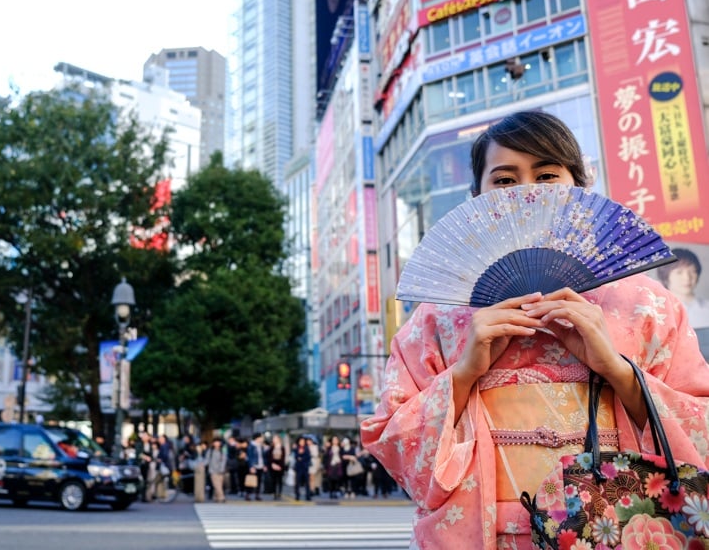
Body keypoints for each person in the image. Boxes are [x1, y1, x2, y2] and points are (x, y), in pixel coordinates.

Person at [360, 110, 709, 549]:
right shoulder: (439, 316)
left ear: (579, 188)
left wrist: (618, 371)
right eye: (504, 180)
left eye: (546, 175)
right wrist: (465, 373)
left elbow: (702, 426)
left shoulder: (645, 303)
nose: (526, 192)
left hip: (610, 530)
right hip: (487, 533)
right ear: (477, 196)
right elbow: (391, 437)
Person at [657, 247, 709, 330]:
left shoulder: (707, 308)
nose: (687, 278)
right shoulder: (655, 311)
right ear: (665, 276)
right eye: (679, 272)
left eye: (692, 271)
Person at [245, 432, 266, 500]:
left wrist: (264, 465)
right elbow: (249, 457)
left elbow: (263, 456)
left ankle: (257, 495)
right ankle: (248, 495)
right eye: (261, 437)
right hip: (254, 466)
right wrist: (251, 466)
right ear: (257, 438)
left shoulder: (261, 446)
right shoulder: (251, 446)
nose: (262, 438)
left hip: (260, 465)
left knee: (259, 481)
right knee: (251, 481)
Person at [206, 437, 227, 503]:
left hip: (221, 471)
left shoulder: (222, 451)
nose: (217, 443)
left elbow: (224, 461)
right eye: (215, 442)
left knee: (219, 485)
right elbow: (207, 460)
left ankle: (216, 497)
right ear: (213, 443)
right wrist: (201, 464)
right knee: (216, 484)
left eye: (218, 442)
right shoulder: (210, 451)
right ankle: (221, 497)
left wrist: (222, 469)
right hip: (212, 470)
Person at [291, 436, 313, 501]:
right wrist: (298, 455)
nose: (302, 442)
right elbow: (295, 456)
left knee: (307, 482)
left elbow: (308, 457)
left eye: (303, 441)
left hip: (305, 467)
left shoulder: (306, 448)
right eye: (301, 441)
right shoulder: (296, 448)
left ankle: (308, 496)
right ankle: (297, 495)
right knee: (297, 482)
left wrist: (302, 457)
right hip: (298, 467)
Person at [267, 434, 287, 500]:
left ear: (279, 439)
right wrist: (273, 464)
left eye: (275, 438)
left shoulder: (282, 447)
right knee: (274, 480)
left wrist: (280, 466)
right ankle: (275, 494)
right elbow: (269, 457)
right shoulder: (271, 447)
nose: (274, 440)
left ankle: (279, 493)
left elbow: (283, 457)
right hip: (273, 465)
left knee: (280, 480)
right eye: (273, 438)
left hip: (280, 465)